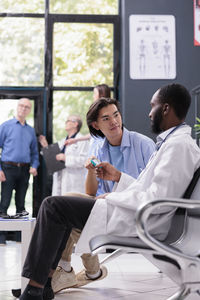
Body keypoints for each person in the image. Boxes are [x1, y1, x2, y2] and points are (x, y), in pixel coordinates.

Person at [19, 83, 200, 300]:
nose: (149, 112)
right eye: (106, 118)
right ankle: (44, 285)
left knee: (52, 206)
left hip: (142, 219)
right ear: (97, 125)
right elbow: (149, 189)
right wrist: (118, 178)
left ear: (166, 108)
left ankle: (34, 290)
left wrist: (114, 195)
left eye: (153, 106)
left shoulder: (177, 146)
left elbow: (156, 199)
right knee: (60, 207)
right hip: (134, 211)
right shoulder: (173, 143)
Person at [51, 97, 155, 294]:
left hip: (135, 210)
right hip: (107, 208)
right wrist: (90, 171)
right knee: (70, 201)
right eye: (106, 119)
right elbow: (91, 193)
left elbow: (150, 189)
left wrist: (114, 187)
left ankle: (83, 269)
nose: (114, 121)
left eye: (116, 115)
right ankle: (78, 269)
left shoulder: (144, 145)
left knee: (69, 207)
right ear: (96, 125)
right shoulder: (98, 147)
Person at [0, 98, 39, 244]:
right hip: (7, 168)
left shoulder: (30, 130)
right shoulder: (5, 126)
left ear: (29, 111)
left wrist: (34, 166)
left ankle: (19, 239)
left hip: (24, 170)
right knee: (4, 204)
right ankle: (1, 239)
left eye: (27, 107)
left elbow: (35, 153)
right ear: (17, 107)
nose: (24, 109)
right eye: (22, 106)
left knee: (21, 205)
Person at [39, 115, 89, 196]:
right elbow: (54, 159)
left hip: (74, 183)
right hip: (60, 180)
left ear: (75, 124)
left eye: (68, 121)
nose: (66, 123)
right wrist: (46, 147)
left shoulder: (82, 141)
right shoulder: (62, 142)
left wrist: (66, 158)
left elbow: (84, 161)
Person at [64, 84, 111, 155]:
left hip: (102, 145)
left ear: (102, 94)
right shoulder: (96, 111)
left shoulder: (107, 111)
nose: (93, 96)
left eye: (95, 93)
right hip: (96, 145)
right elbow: (93, 134)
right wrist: (76, 140)